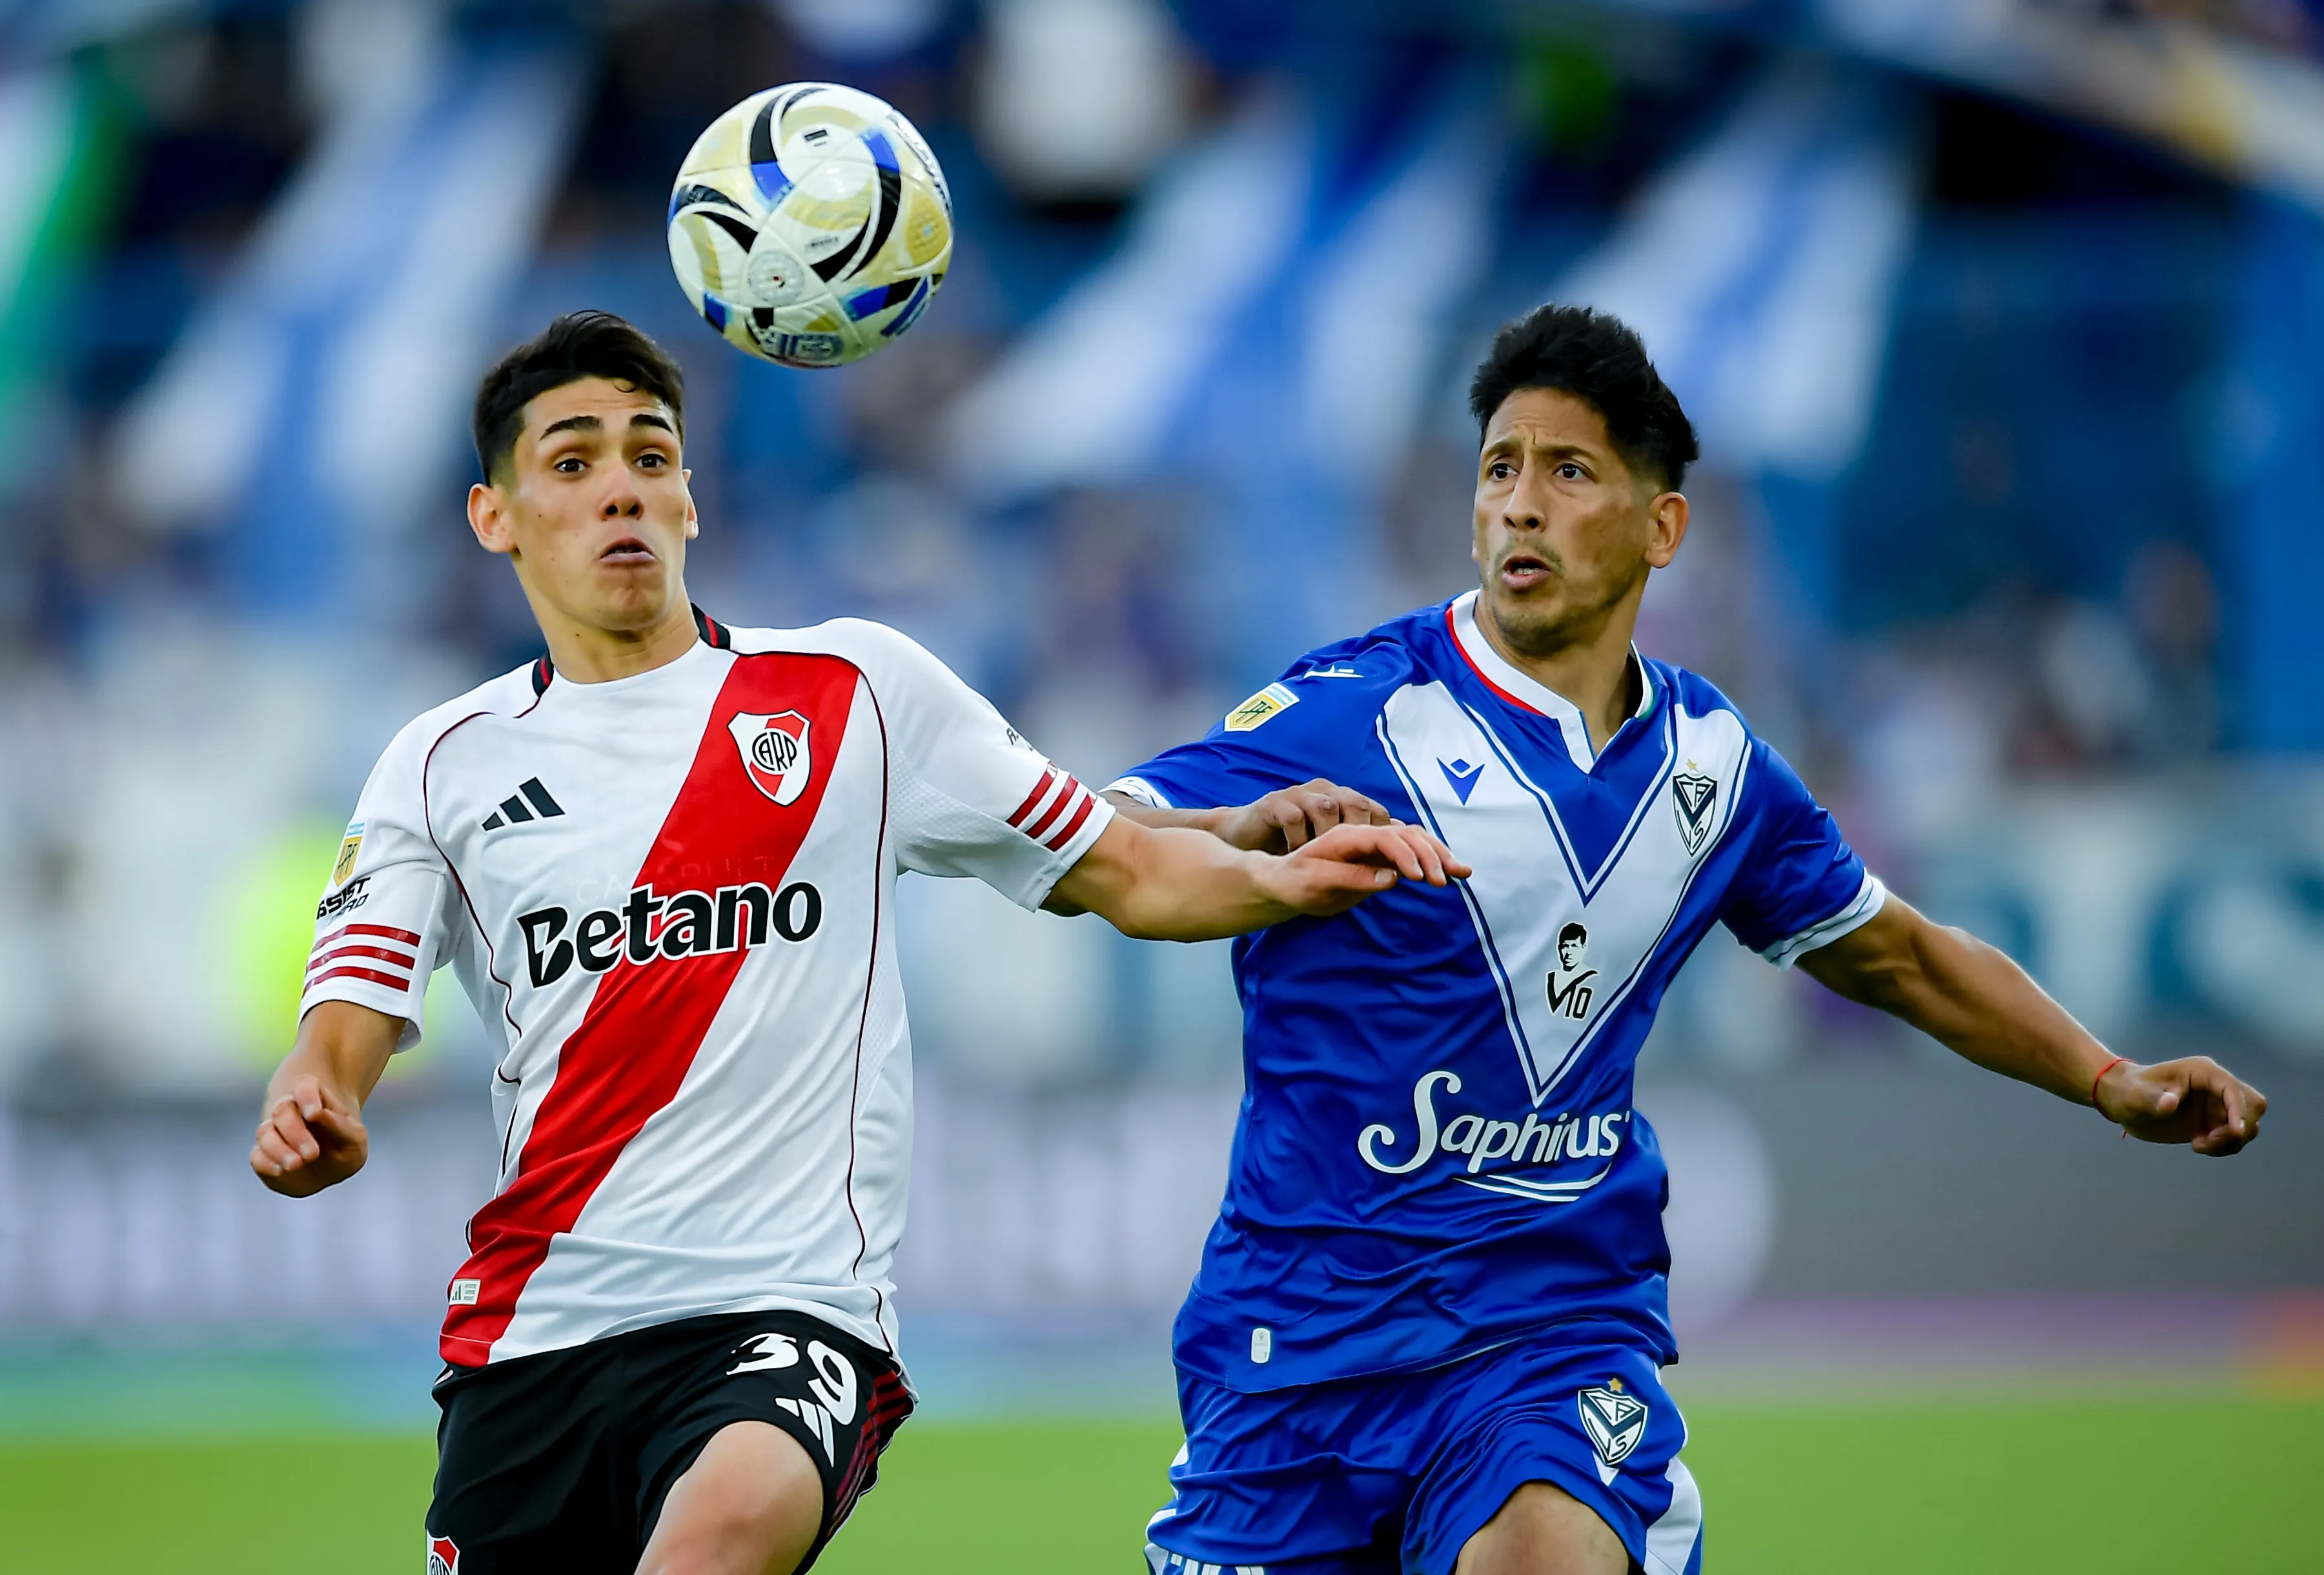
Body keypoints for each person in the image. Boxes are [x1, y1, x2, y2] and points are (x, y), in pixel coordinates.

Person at [248, 310, 1461, 1575]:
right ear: (494, 515)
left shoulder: (854, 693)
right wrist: (313, 1097)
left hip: (782, 1316)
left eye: (652, 455)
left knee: (719, 1535)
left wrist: (1280, 875)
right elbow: (347, 1015)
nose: (622, 486)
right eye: (572, 460)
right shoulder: (440, 761)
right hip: (532, 1339)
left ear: (692, 501)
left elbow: (1127, 866)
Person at [1105, 303, 2268, 1575]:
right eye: (1500, 468)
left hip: (1543, 1334)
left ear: (1664, 526)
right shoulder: (1346, 713)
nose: (1521, 505)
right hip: (1298, 1355)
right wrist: (1238, 820)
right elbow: (1097, 833)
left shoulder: (1715, 767)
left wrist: (2111, 1078)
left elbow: (1899, 952)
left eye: (1569, 470)